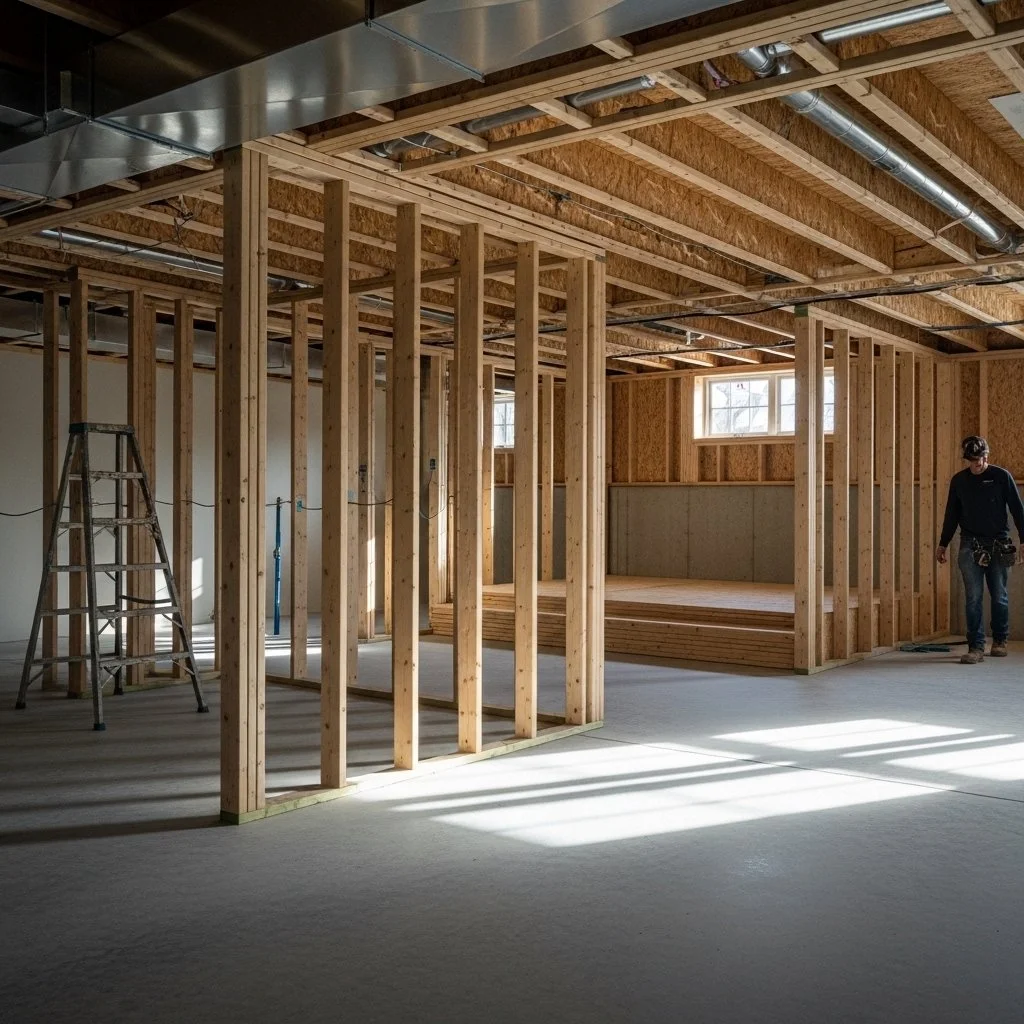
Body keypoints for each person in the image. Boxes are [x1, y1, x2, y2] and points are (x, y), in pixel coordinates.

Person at [936, 436, 1024, 664]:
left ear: (987, 455)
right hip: (970, 544)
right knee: (973, 597)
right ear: (967, 459)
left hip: (999, 543)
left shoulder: (1001, 477)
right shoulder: (959, 482)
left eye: (983, 457)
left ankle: (1000, 640)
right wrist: (943, 543)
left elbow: (1017, 509)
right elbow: (951, 514)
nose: (980, 462)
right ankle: (975, 646)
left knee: (999, 596)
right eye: (975, 459)